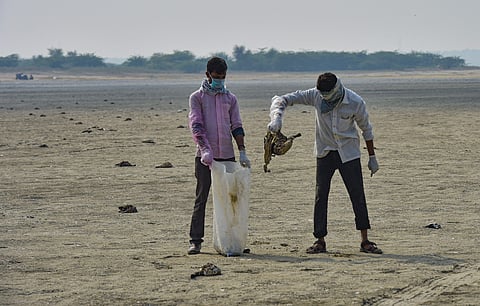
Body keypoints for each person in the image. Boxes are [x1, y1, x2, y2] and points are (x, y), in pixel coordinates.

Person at [267, 72, 382, 254]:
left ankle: (365, 240)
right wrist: (277, 118)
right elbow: (282, 99)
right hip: (324, 151)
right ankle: (320, 240)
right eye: (323, 95)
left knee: (357, 194)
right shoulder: (315, 95)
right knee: (321, 195)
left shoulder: (354, 101)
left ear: (336, 88)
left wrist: (372, 157)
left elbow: (366, 129)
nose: (325, 98)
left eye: (328, 94)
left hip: (348, 152)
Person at [187, 57, 251, 255]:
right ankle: (196, 240)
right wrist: (205, 149)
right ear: (207, 75)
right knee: (202, 197)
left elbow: (236, 125)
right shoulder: (197, 98)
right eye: (216, 77)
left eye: (223, 77)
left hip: (227, 155)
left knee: (231, 200)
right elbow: (196, 125)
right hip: (206, 157)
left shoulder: (230, 99)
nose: (220, 81)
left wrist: (242, 150)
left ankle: (232, 240)